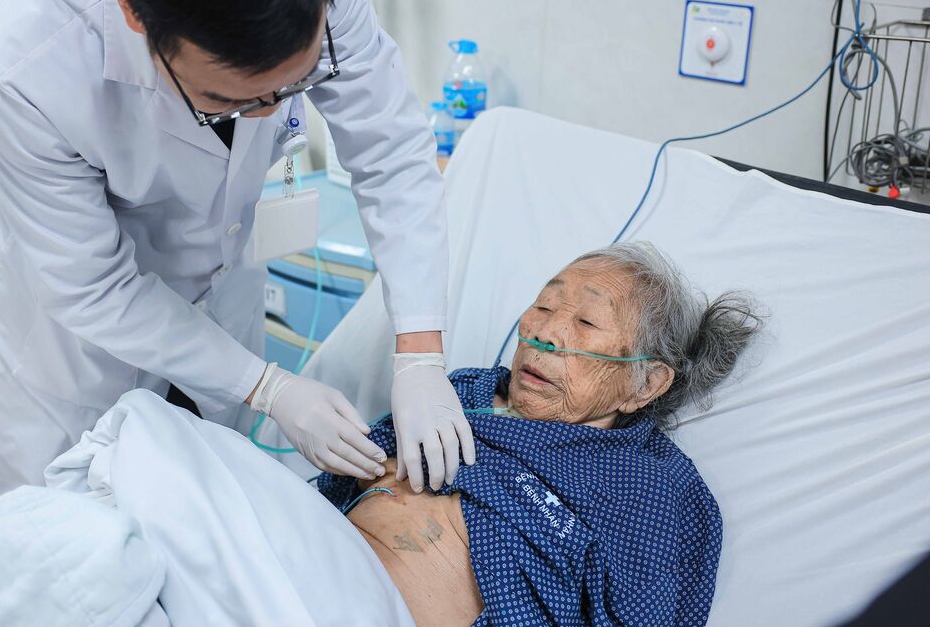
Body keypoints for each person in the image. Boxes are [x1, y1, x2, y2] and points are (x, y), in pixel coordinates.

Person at [0, 0, 474, 499]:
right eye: (227, 101)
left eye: (294, 84)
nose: (268, 113)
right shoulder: (25, 65)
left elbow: (390, 149)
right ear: (134, 17)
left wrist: (420, 353)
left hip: (224, 300)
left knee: (214, 519)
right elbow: (96, 287)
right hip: (83, 351)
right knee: (67, 537)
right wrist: (267, 388)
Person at [321, 242, 764, 625]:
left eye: (587, 323)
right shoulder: (462, 389)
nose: (545, 333)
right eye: (544, 306)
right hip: (311, 553)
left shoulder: (647, 485)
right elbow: (348, 469)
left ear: (646, 384)